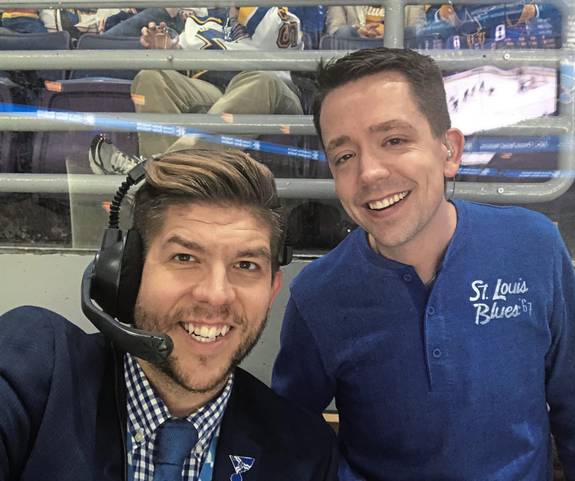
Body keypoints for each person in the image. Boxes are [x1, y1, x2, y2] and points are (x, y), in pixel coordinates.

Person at [271, 47, 575, 480]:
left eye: (394, 140)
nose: (369, 173)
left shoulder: (532, 247)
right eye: (344, 156)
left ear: (449, 151)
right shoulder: (318, 295)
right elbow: (289, 442)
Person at [0, 148, 338, 481]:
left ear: (272, 289)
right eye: (185, 258)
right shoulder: (35, 367)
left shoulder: (304, 451)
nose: (216, 294)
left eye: (246, 265)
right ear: (127, 273)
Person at [88, 7, 304, 175]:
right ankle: (162, 187)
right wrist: (168, 51)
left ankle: (155, 171)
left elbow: (280, 42)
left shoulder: (282, 16)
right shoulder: (201, 22)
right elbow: (184, 63)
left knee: (259, 80)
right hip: (220, 93)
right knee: (151, 77)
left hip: (274, 93)